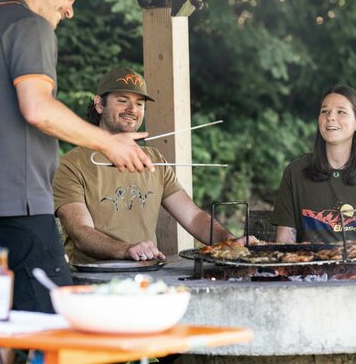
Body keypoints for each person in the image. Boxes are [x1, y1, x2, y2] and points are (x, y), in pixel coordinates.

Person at [0, 0, 156, 317]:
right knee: (55, 326)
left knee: (2, 331)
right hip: (19, 206)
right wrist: (108, 142)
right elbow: (37, 107)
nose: (70, 10)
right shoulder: (28, 25)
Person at [53, 67, 254, 264]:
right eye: (122, 101)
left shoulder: (153, 159)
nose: (132, 110)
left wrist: (229, 241)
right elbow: (80, 231)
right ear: (99, 104)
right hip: (91, 278)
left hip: (146, 272)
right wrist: (127, 250)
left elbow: (193, 217)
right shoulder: (72, 164)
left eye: (139, 104)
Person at [271, 85, 356, 244]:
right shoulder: (295, 172)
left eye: (341, 112)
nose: (330, 117)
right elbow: (284, 242)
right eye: (325, 111)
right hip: (306, 267)